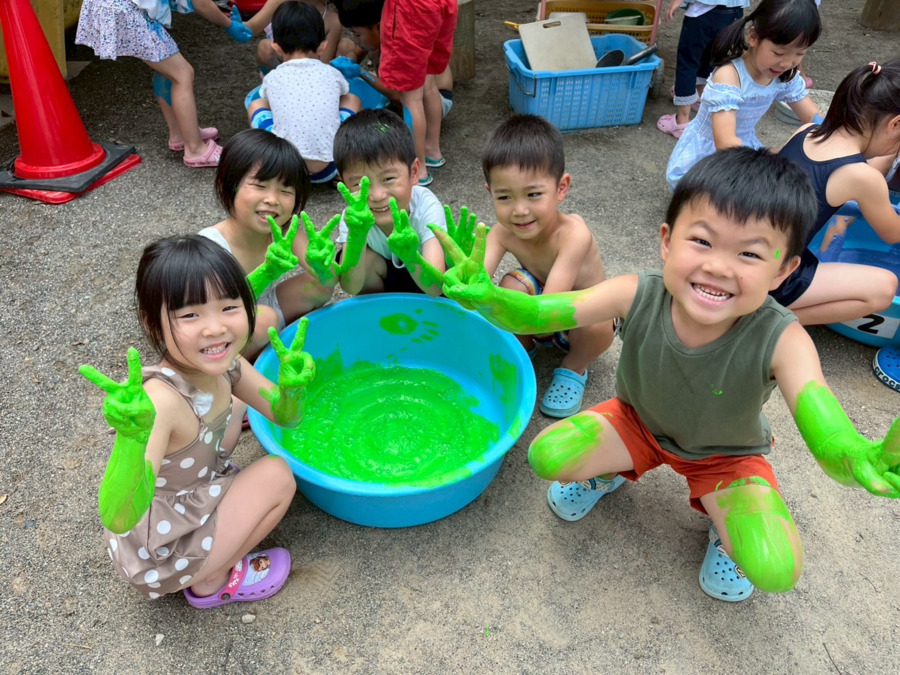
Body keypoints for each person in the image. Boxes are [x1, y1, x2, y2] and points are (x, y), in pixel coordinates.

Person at [434, 147, 900, 602]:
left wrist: (853, 453)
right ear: (666, 240)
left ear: (785, 270)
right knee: (548, 456)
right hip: (636, 423)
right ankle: (611, 469)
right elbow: (544, 313)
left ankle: (727, 529)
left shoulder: (785, 338)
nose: (718, 266)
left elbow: (821, 415)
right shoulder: (635, 291)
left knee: (775, 569)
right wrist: (492, 299)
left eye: (751, 255)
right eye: (702, 240)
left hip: (725, 458)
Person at [79, 235, 316, 607]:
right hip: (162, 551)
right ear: (150, 322)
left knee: (237, 407)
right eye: (190, 315)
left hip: (187, 495)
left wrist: (292, 389)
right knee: (278, 475)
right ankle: (211, 580)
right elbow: (119, 517)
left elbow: (286, 418)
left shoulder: (229, 364)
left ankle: (213, 516)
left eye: (228, 307)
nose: (215, 328)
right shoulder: (160, 404)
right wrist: (131, 439)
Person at [478, 114, 616, 418]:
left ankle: (574, 367)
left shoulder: (573, 235)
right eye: (504, 197)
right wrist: (465, 284)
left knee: (598, 319)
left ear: (561, 188)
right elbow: (478, 282)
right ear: (489, 192)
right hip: (539, 309)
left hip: (572, 315)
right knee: (511, 285)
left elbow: (549, 307)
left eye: (533, 194)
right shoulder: (501, 232)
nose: (520, 210)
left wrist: (497, 308)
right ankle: (521, 353)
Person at [773, 60, 900, 330]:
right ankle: (765, 323)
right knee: (885, 288)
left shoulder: (805, 132)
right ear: (895, 124)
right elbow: (893, 233)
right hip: (773, 278)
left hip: (756, 256)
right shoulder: (860, 176)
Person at [203, 129, 334, 357]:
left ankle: (272, 344)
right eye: (260, 186)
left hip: (266, 308)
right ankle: (236, 368)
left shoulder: (285, 231)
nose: (272, 200)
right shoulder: (211, 246)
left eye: (285, 190)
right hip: (224, 323)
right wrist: (267, 272)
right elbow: (219, 310)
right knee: (265, 320)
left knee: (318, 286)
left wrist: (323, 264)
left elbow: (329, 281)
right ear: (230, 184)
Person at [76, 0, 253, 167]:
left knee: (168, 69)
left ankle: (180, 134)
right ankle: (195, 149)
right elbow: (201, 3)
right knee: (182, 74)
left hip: (115, 6)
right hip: (124, 9)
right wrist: (228, 25)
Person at [665, 0, 822, 188]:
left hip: (743, 149)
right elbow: (725, 144)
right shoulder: (729, 77)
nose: (787, 64)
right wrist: (770, 160)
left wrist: (829, 136)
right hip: (708, 160)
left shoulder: (784, 77)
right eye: (779, 53)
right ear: (754, 37)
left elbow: (814, 119)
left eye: (799, 54)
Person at [319, 108, 447, 296]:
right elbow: (351, 287)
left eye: (388, 179)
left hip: (424, 280)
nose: (377, 195)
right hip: (385, 280)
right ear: (343, 183)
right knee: (365, 261)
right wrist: (357, 236)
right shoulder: (354, 218)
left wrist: (411, 257)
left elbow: (437, 288)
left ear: (413, 172)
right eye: (360, 184)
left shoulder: (426, 207)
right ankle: (380, 311)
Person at [334, 0, 457, 187]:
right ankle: (433, 151)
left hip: (410, 8)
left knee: (411, 97)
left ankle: (419, 168)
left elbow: (398, 95)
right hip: (438, 5)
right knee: (428, 83)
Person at [246, 2, 361, 185]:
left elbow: (270, 102)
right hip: (331, 166)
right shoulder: (332, 73)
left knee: (256, 105)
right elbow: (342, 95)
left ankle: (264, 160)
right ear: (323, 46)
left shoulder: (273, 77)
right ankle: (347, 165)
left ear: (276, 47)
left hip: (284, 168)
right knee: (351, 99)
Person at [656, 0, 750, 139]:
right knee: (712, 55)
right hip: (734, 11)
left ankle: (682, 121)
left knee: (688, 62)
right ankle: (698, 96)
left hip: (704, 10)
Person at [253, 0, 343, 74]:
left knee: (345, 45)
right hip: (282, 65)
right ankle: (278, 81)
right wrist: (239, 26)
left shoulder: (332, 19)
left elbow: (324, 64)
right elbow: (251, 27)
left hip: (313, 69)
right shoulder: (279, 2)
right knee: (265, 47)